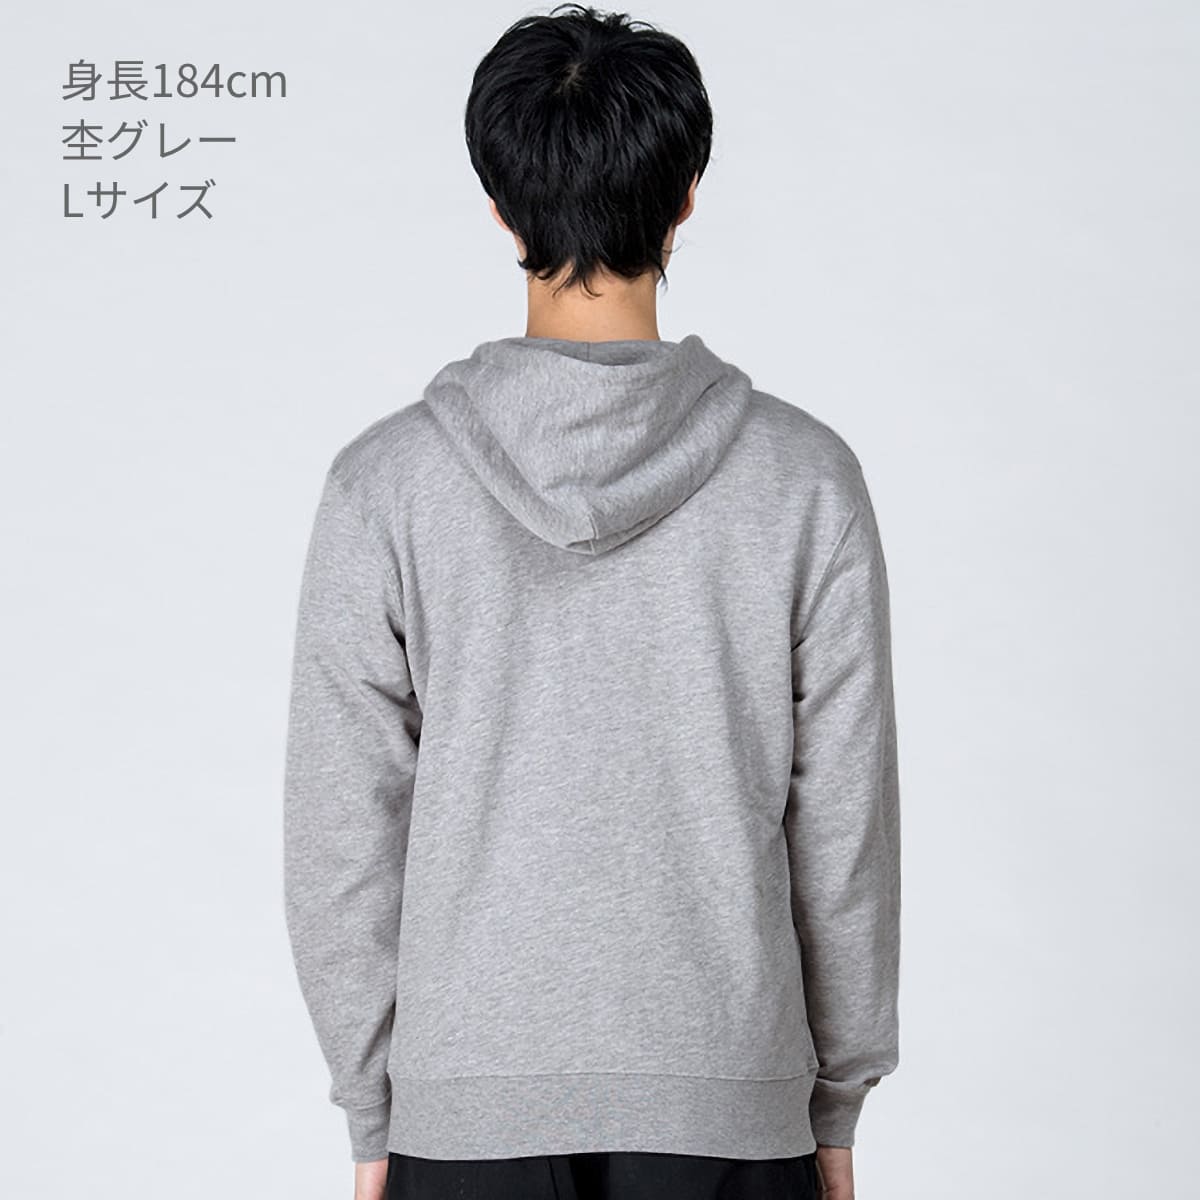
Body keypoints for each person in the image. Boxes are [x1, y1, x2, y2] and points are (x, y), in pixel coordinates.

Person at [282, 5, 901, 1198]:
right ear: (686, 197)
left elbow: (341, 836)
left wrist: (373, 1114)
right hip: (730, 1106)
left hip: (464, 1118)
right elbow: (845, 832)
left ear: (500, 206)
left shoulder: (384, 486)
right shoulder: (805, 479)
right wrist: (835, 1108)